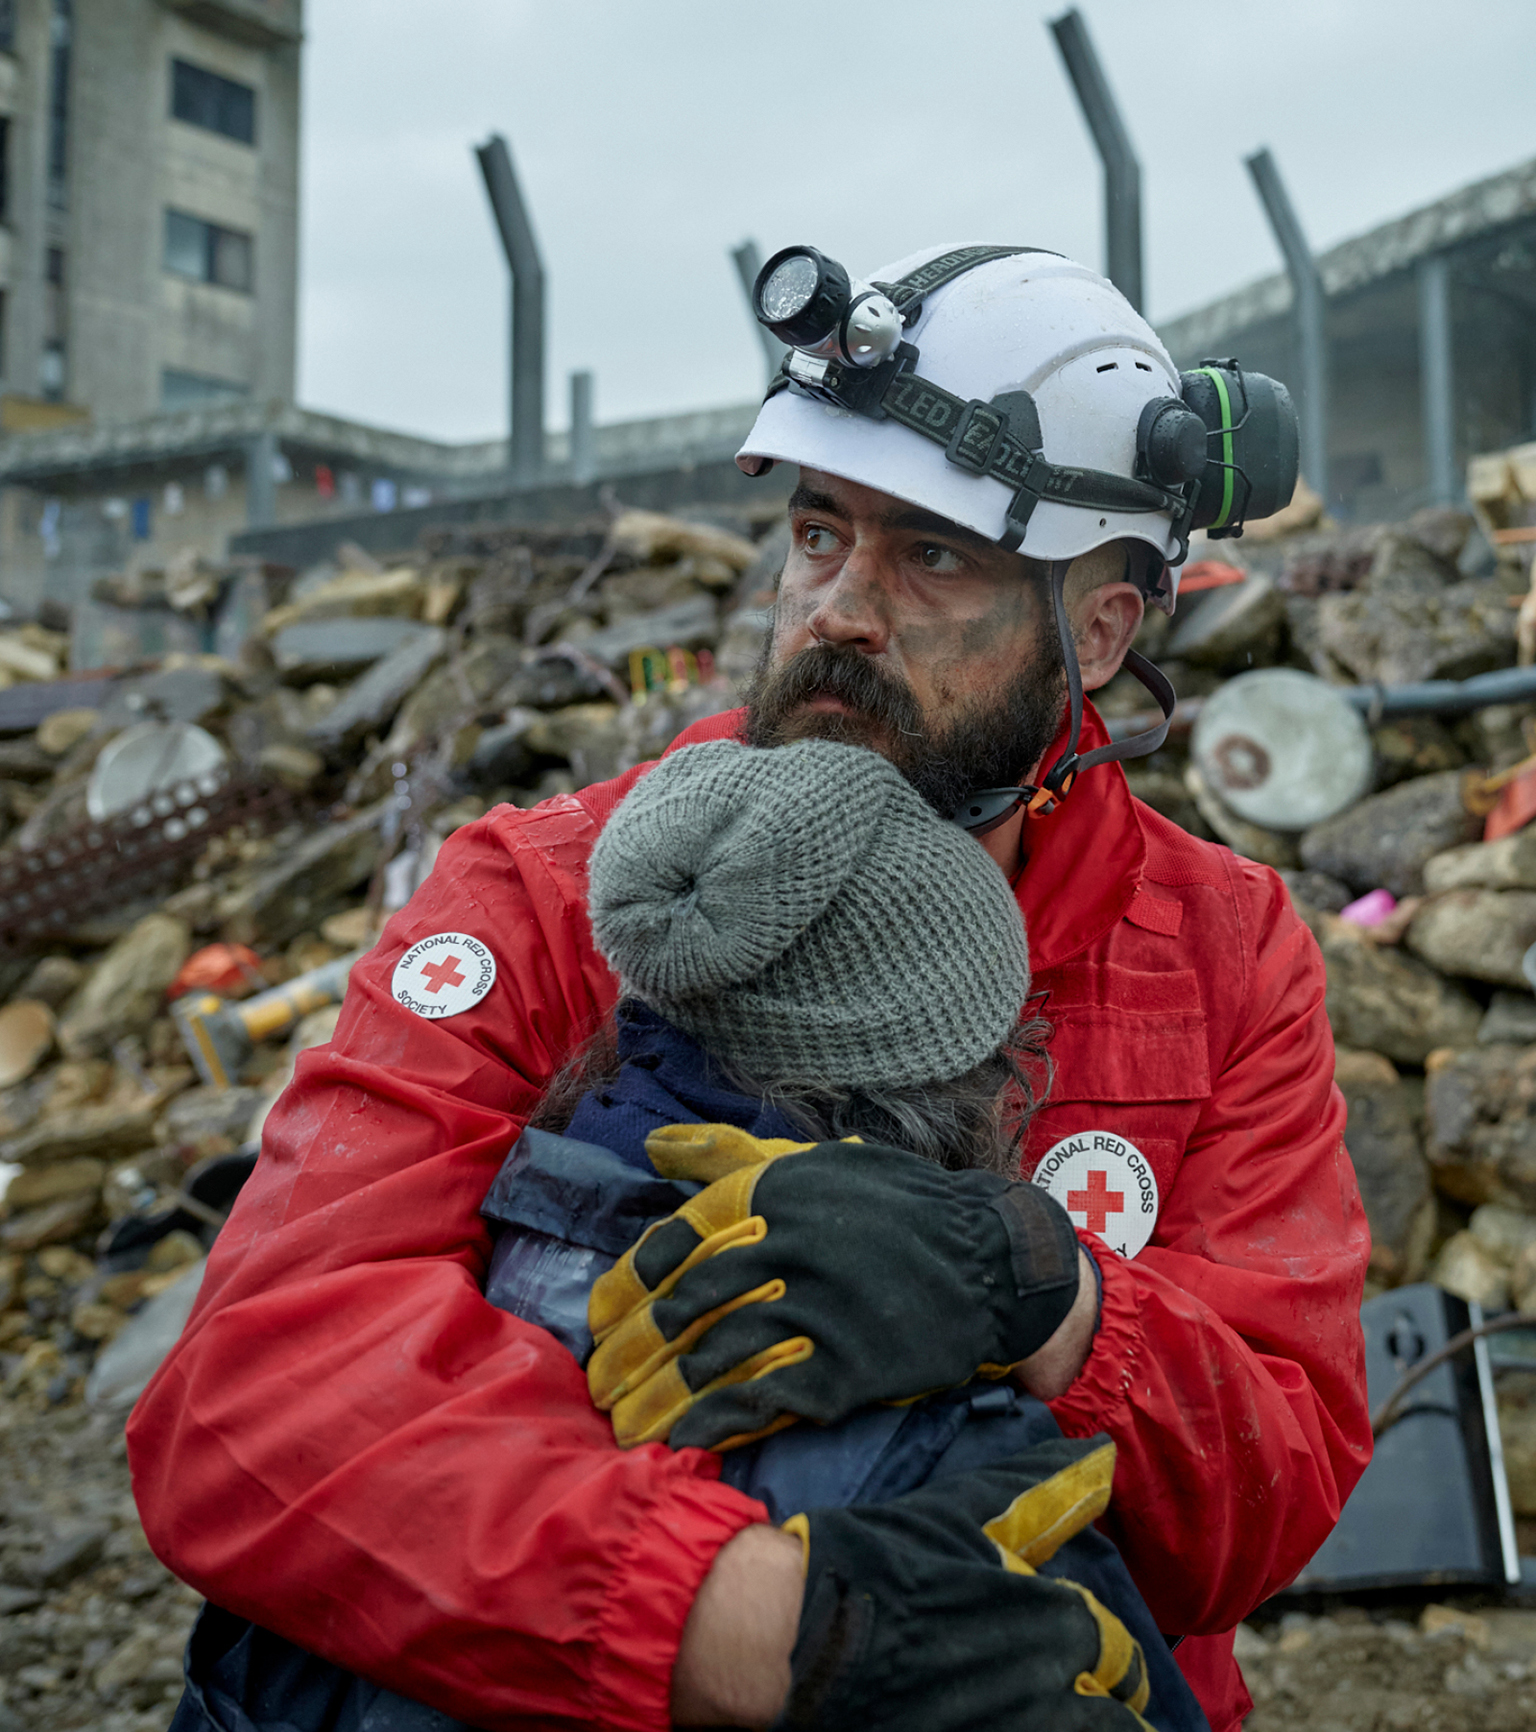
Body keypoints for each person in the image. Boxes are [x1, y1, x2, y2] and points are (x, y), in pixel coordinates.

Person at [129, 245, 1372, 1732]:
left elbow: (1270, 1502)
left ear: (1095, 635)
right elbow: (251, 1400)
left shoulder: (1221, 950)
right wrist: (747, 1623)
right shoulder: (554, 891)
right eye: (819, 532)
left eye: (934, 556)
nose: (840, 607)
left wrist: (1050, 1296)